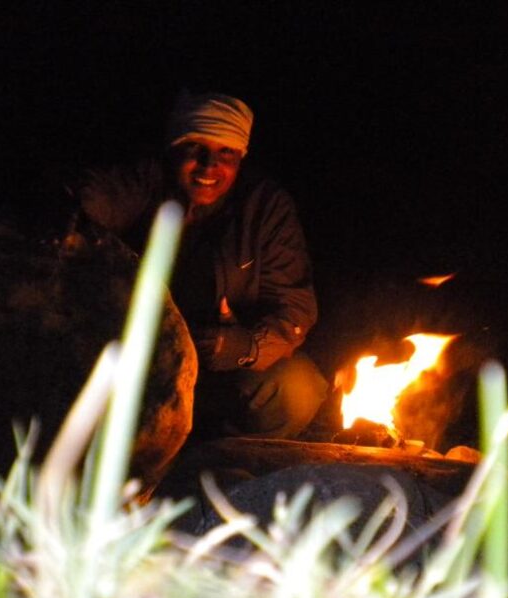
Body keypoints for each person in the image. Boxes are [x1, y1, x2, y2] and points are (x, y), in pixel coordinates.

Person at [78, 92, 328, 439]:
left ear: (241, 157)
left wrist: (245, 347)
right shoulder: (147, 184)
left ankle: (231, 471)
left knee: (296, 388)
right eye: (196, 148)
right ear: (174, 150)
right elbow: (96, 200)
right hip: (138, 360)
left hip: (216, 369)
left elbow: (295, 310)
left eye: (226, 152)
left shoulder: (264, 207)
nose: (210, 165)